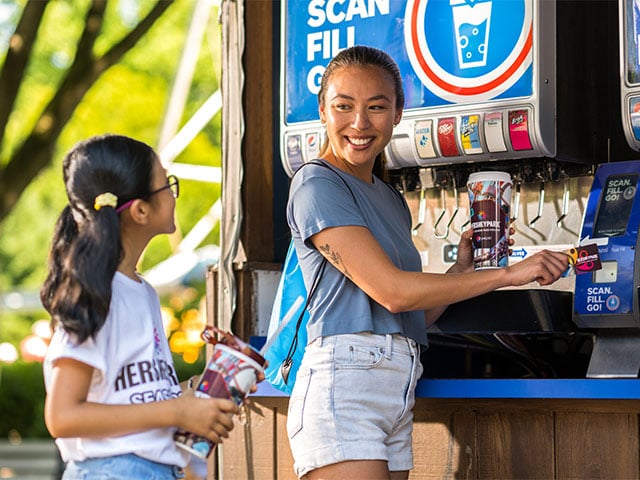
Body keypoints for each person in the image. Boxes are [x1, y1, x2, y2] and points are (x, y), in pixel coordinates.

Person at [285, 45, 569, 480]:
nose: (359, 124)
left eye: (377, 107)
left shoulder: (390, 198)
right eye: (344, 106)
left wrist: (462, 270)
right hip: (346, 385)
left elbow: (412, 313)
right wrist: (508, 274)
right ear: (323, 109)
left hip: (397, 385)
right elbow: (394, 293)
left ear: (398, 113)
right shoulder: (316, 184)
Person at [40, 134, 238, 479]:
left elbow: (134, 395)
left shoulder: (141, 291)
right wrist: (175, 412)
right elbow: (62, 416)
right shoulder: (96, 292)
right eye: (167, 185)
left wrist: (204, 389)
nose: (174, 196)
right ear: (141, 210)